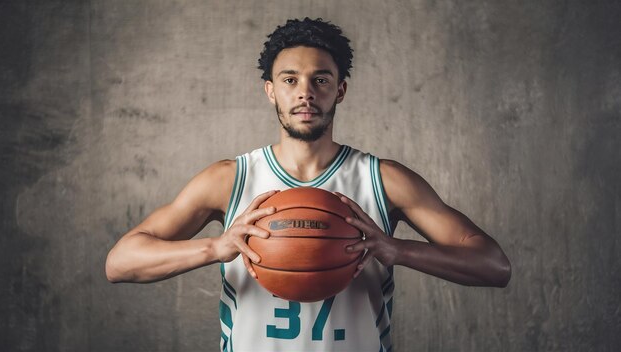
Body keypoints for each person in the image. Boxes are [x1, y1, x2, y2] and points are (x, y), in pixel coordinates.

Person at [105, 17, 511, 352]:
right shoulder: (230, 180)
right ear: (270, 91)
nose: (305, 93)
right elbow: (120, 263)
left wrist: (396, 249)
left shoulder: (383, 180)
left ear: (340, 90)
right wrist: (216, 247)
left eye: (320, 80)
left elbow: (493, 265)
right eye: (289, 80)